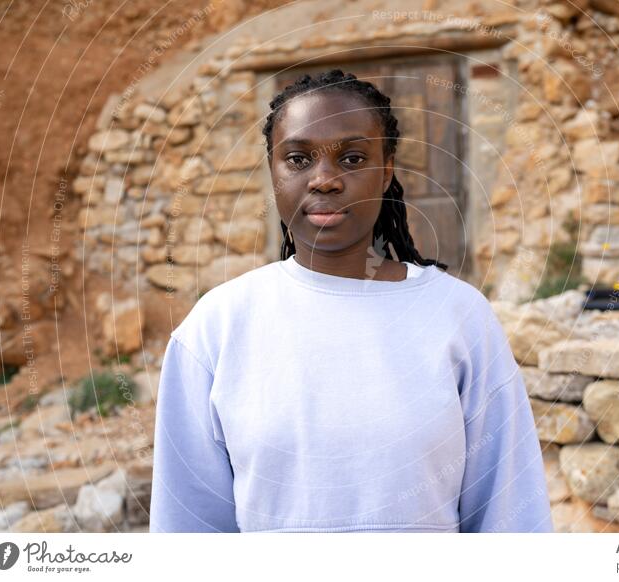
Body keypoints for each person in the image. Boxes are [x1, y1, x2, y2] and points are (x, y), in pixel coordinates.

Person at [149, 69, 553, 533]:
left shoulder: (459, 317)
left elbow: (510, 514)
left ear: (387, 170)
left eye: (353, 157)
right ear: (273, 172)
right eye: (298, 159)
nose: (324, 180)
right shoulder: (216, 327)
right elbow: (188, 530)